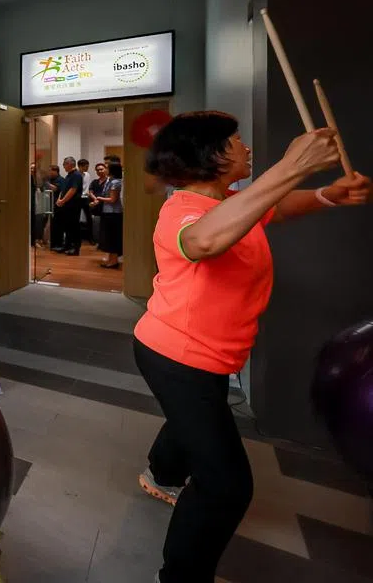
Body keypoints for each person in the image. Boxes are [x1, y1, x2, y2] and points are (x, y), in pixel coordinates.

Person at [132, 112, 369, 583]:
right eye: (236, 143)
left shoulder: (231, 200)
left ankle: (160, 474)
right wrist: (293, 167)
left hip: (204, 356)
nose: (246, 149)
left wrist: (327, 194)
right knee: (226, 487)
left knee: (197, 417)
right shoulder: (183, 211)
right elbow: (204, 241)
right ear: (211, 156)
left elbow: (276, 207)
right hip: (177, 356)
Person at [53, 156, 83, 255]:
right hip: (67, 205)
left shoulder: (76, 175)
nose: (63, 166)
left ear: (70, 164)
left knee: (74, 226)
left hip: (73, 205)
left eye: (64, 164)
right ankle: (67, 246)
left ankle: (75, 248)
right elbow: (64, 189)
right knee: (67, 226)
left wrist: (63, 201)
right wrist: (59, 199)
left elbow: (73, 190)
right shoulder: (68, 175)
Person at [98, 162, 124, 269]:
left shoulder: (116, 182)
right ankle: (110, 258)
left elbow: (113, 199)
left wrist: (99, 198)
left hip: (113, 213)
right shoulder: (111, 181)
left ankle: (114, 261)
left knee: (112, 237)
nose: (105, 169)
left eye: (107, 168)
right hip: (108, 212)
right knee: (108, 237)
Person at [87, 162, 108, 246]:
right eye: (98, 170)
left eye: (101, 169)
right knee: (96, 226)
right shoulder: (95, 181)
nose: (100, 171)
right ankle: (98, 242)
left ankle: (105, 244)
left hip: (106, 206)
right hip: (96, 207)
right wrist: (95, 199)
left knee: (105, 226)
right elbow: (90, 192)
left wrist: (98, 200)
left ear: (106, 170)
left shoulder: (109, 181)